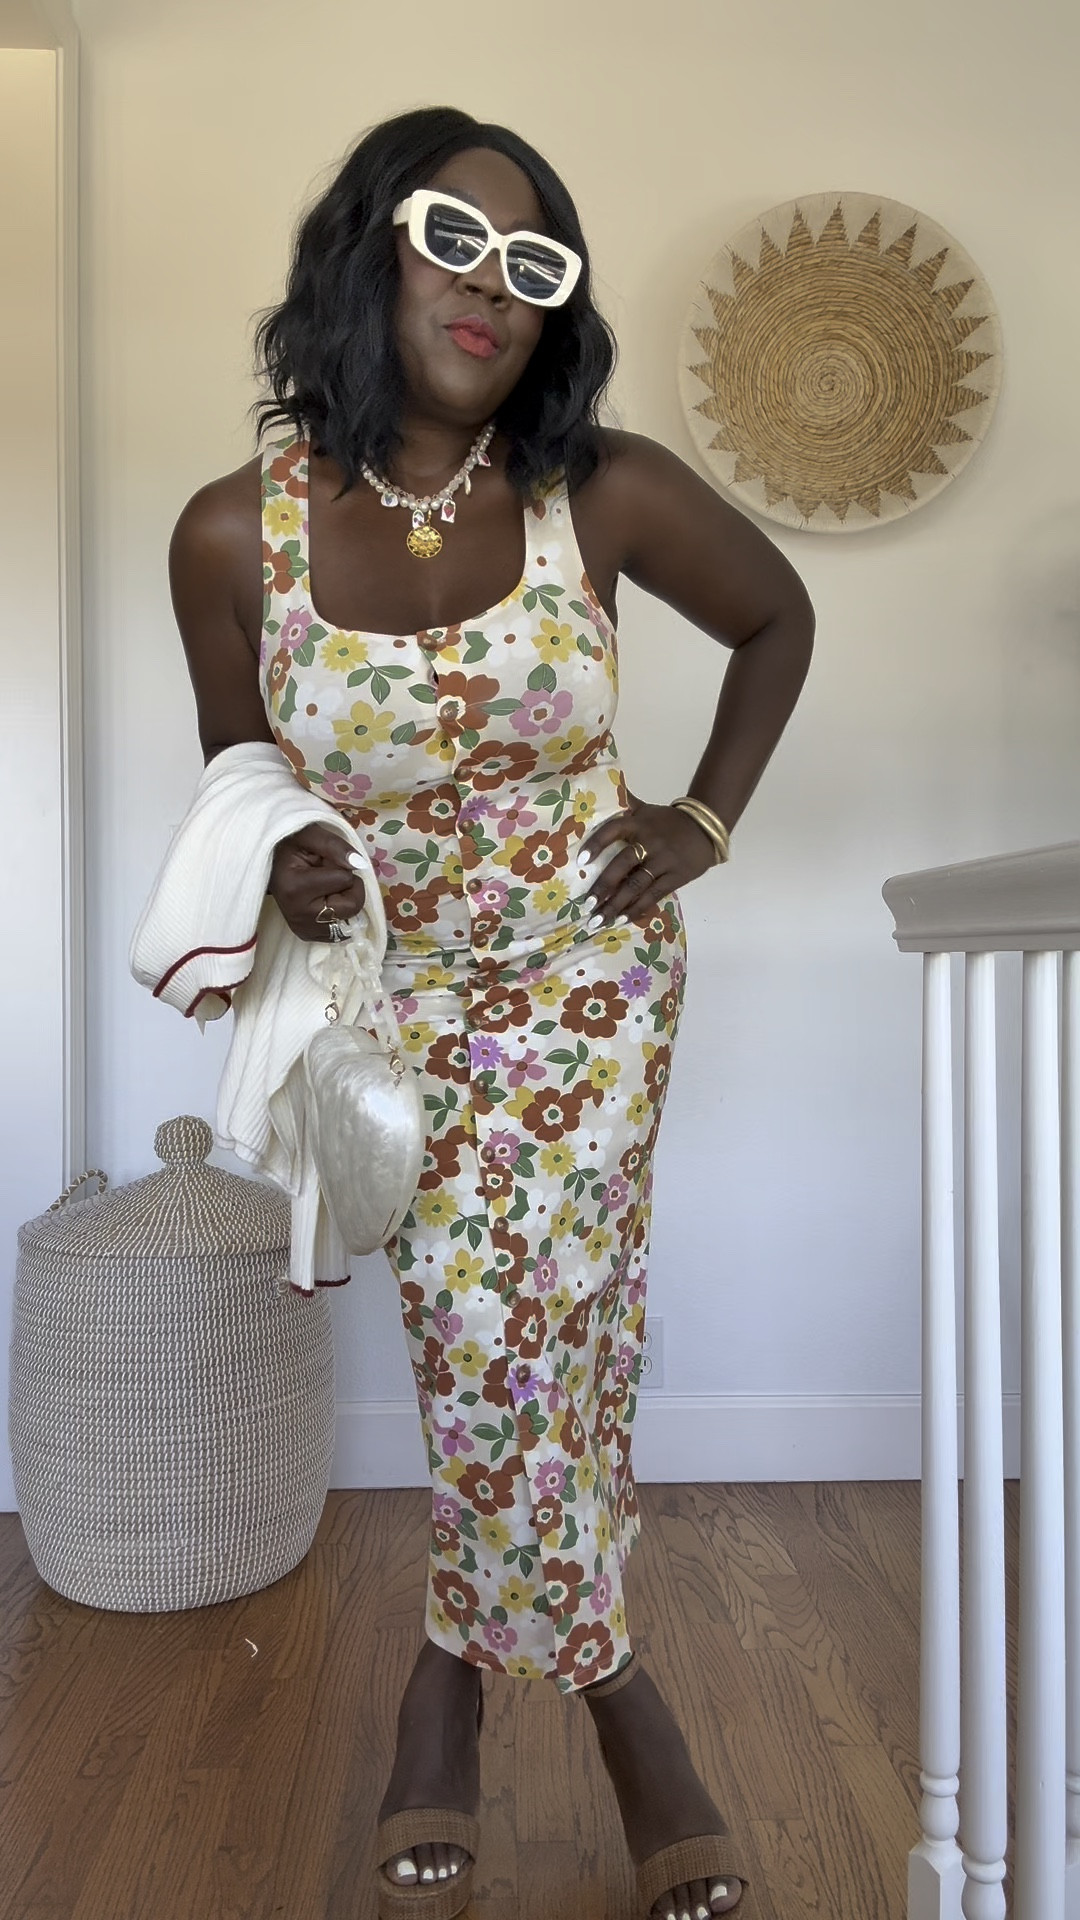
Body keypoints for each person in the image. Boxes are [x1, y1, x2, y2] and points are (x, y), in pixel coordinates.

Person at [169, 105, 813, 1920]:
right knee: (530, 1347)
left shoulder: (598, 491)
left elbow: (778, 623)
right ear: (370, 245)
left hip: (589, 993)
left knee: (522, 1322)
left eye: (538, 268)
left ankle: (534, 1695)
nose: (497, 290)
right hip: (384, 1014)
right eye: (459, 238)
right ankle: (566, 1662)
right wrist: (287, 851)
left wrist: (696, 820)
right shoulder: (236, 535)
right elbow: (239, 762)